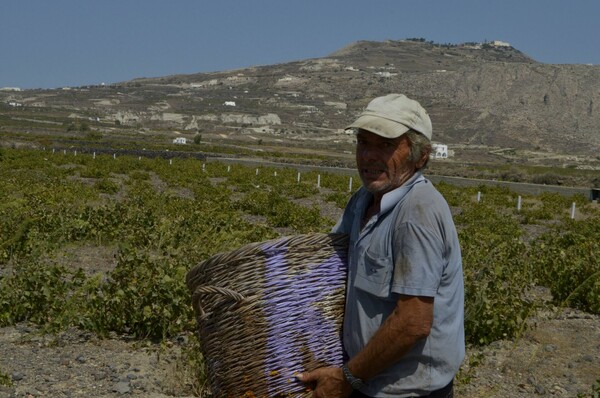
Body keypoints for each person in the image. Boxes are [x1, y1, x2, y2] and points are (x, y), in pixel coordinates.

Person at [297, 94, 464, 398]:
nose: (369, 156)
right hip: (367, 379)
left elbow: (412, 322)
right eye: (363, 142)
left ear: (421, 156)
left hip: (405, 391)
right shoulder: (362, 201)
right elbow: (330, 264)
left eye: (386, 145)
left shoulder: (417, 213)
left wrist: (347, 378)